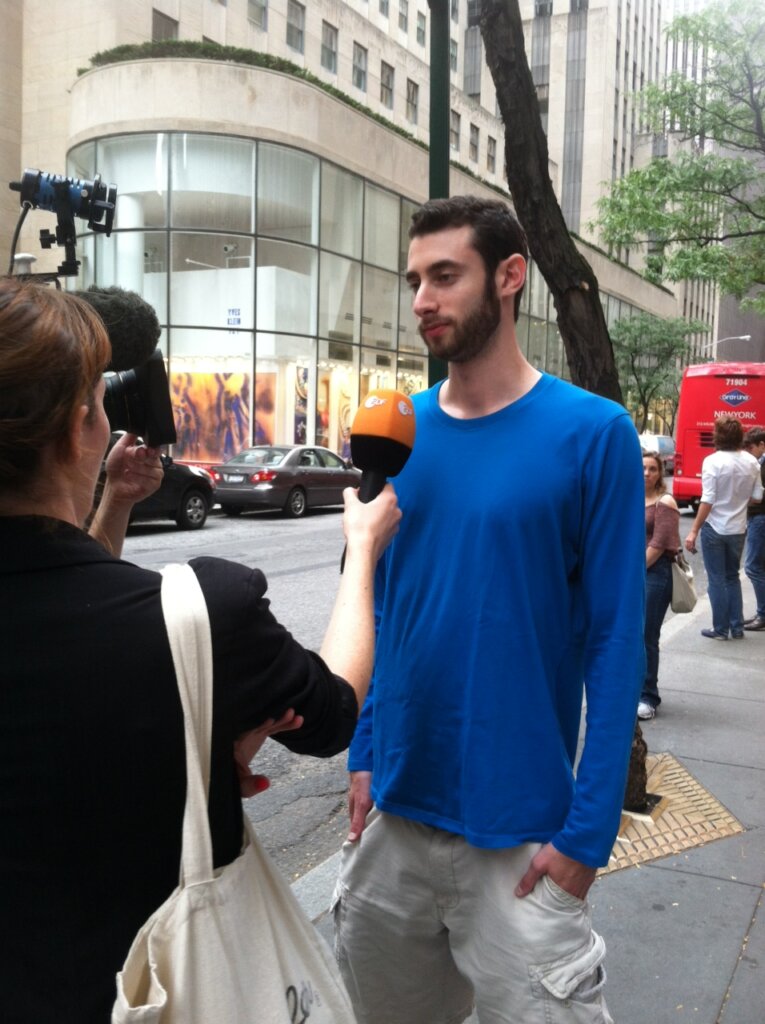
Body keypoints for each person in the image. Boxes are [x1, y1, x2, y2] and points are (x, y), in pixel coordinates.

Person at [0, 276, 401, 1024]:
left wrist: (115, 501)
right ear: (78, 427)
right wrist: (362, 548)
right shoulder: (203, 614)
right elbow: (333, 711)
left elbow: (65, 603)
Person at [333, 196, 646, 1024]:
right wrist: (361, 752)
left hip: (521, 835)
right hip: (392, 817)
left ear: (509, 278)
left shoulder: (594, 433)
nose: (421, 301)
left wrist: (589, 833)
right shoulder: (398, 431)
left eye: (444, 276)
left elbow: (616, 643)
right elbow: (388, 611)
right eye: (414, 281)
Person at [685, 415, 763, 640]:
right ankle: (737, 627)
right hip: (738, 528)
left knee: (717, 579)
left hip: (715, 528)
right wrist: (738, 502)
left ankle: (720, 629)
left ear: (717, 436)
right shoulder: (751, 462)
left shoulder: (712, 461)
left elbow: (707, 500)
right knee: (732, 577)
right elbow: (757, 497)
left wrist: (693, 530)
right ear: (740, 436)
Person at [637, 452, 681, 720]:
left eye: (652, 469)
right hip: (637, 574)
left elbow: (659, 544)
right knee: (633, 636)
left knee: (647, 636)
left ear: (660, 473)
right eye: (642, 468)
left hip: (656, 575)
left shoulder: (665, 502)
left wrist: (633, 573)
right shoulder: (631, 498)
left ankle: (649, 696)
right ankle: (636, 689)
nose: (646, 473)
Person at [742, 427, 765, 631]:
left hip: (760, 518)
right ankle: (761, 612)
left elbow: (759, 496)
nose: (749, 452)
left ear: (762, 445)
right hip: (758, 517)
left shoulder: (761, 465)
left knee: (753, 567)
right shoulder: (758, 463)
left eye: (752, 448)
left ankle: (763, 615)